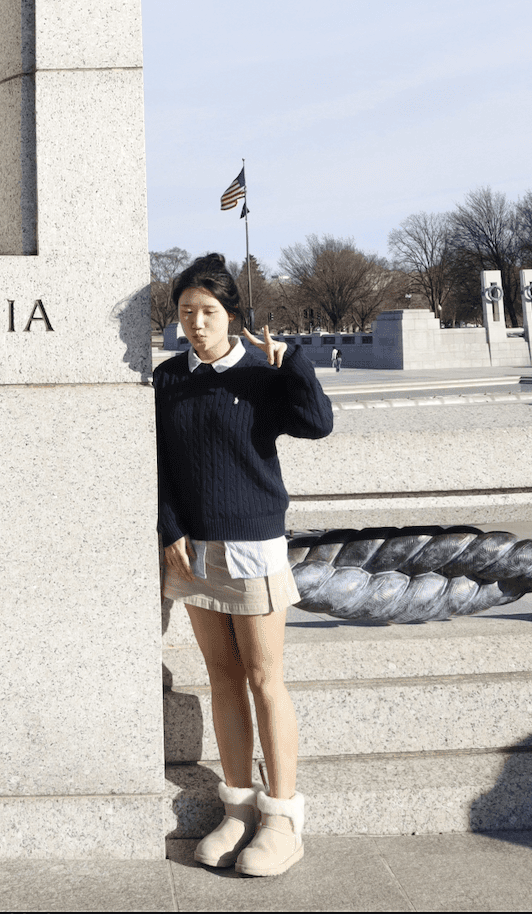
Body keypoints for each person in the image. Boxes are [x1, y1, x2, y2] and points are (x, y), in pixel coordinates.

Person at [153, 253, 333, 877]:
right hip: (193, 549)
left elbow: (316, 424)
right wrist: (170, 527)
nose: (197, 325)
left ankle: (282, 817)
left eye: (208, 312)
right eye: (186, 313)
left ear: (230, 315)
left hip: (252, 544)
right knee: (222, 676)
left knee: (264, 677)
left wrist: (294, 365)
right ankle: (238, 807)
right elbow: (160, 465)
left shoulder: (259, 372)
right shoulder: (170, 378)